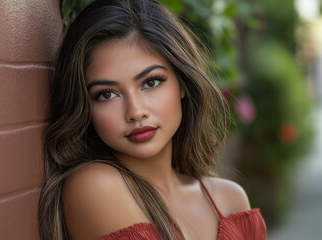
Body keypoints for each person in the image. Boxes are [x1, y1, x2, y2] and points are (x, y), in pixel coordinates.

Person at [38, 0, 267, 239]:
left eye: (151, 82)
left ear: (182, 84)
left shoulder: (231, 200)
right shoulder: (96, 186)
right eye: (106, 94)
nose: (136, 112)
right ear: (85, 106)